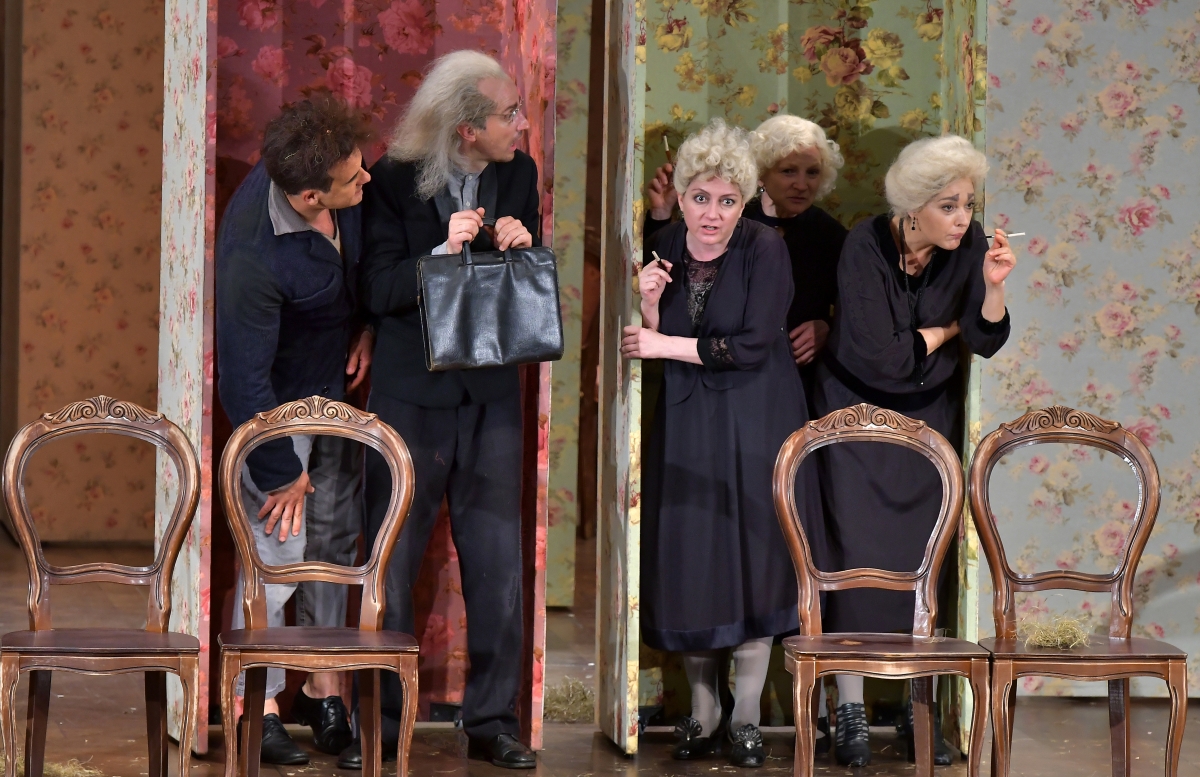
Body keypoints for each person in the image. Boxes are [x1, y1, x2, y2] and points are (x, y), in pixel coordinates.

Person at [351, 50, 538, 770]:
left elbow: (521, 293)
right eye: (509, 114)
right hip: (412, 396)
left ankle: (492, 720)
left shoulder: (518, 174)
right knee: (392, 562)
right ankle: (381, 722)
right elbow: (377, 289)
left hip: (490, 396)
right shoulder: (393, 178)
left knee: (497, 566)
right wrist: (439, 251)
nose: (521, 124)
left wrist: (522, 247)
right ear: (466, 128)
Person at [622, 119, 827, 769]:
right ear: (681, 197)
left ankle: (746, 715)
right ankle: (704, 708)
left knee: (756, 558)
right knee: (695, 560)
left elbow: (754, 342)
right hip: (689, 419)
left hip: (757, 414)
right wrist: (650, 309)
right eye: (701, 197)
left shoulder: (765, 248)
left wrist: (662, 341)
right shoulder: (663, 246)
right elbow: (655, 340)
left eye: (728, 200)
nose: (712, 213)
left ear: (745, 202)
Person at [812, 135, 1015, 766]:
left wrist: (993, 288)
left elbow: (986, 340)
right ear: (912, 209)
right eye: (948, 206)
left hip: (927, 423)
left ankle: (913, 706)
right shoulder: (864, 244)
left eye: (967, 204)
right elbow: (883, 356)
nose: (962, 218)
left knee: (922, 563)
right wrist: (948, 329)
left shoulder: (970, 245)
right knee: (851, 556)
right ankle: (848, 709)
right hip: (854, 418)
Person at [215, 95, 375, 765]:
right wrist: (283, 472)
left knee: (333, 551)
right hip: (279, 419)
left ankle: (322, 686)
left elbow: (359, 265)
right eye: (353, 178)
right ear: (310, 197)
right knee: (276, 561)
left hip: (334, 399)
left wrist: (364, 327)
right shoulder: (254, 256)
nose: (367, 179)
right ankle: (258, 705)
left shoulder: (323, 173)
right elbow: (243, 383)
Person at [646, 115, 847, 412]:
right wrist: (661, 215)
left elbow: (856, 312)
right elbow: (662, 269)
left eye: (813, 172)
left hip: (790, 380)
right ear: (761, 172)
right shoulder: (728, 216)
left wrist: (829, 327)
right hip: (699, 377)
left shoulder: (831, 236)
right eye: (789, 171)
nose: (802, 184)